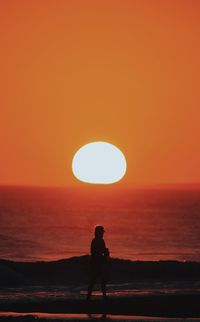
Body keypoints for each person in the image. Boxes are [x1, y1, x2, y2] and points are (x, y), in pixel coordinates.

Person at [87, 225, 109, 300]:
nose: (103, 234)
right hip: (96, 262)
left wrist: (105, 252)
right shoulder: (96, 241)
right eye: (102, 232)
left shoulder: (99, 240)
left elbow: (102, 252)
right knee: (95, 280)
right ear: (98, 233)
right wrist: (105, 252)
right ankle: (89, 297)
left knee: (100, 280)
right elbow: (94, 252)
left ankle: (103, 296)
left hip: (97, 262)